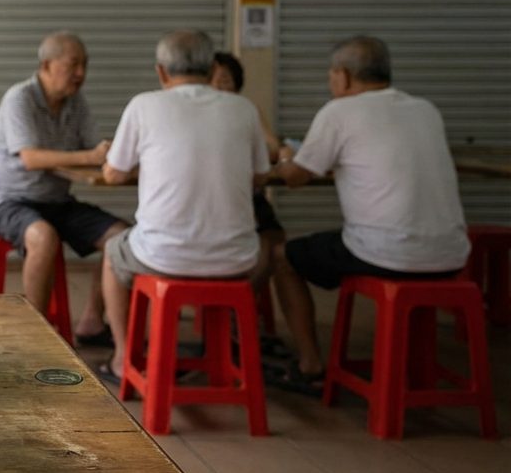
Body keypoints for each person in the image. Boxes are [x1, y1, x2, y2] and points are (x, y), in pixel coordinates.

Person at [267, 36, 469, 395]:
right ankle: (413, 365)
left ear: (343, 76)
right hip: (452, 255)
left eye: (331, 74)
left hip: (386, 254)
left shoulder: (340, 112)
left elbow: (296, 177)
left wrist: (284, 156)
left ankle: (310, 363)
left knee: (284, 257)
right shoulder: (425, 109)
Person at [97, 30, 270, 380]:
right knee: (268, 243)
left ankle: (122, 356)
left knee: (114, 253)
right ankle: (225, 352)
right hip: (238, 260)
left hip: (163, 257)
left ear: (161, 72)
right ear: (210, 69)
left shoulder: (145, 105)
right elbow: (260, 176)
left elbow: (114, 174)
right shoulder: (243, 108)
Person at [0, 31, 127, 337]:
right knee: (43, 237)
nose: (81, 74)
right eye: (73, 65)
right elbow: (31, 158)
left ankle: (93, 320)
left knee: (121, 239)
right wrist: (91, 156)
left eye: (85, 65)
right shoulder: (19, 98)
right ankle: (37, 333)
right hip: (6, 200)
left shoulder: (76, 102)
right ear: (46, 65)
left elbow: (96, 151)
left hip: (56, 201)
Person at [211, 53, 287, 330]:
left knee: (274, 241)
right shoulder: (193, 113)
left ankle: (239, 302)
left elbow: (273, 147)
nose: (220, 86)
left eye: (226, 80)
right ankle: (227, 305)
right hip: (213, 204)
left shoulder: (245, 109)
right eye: (214, 80)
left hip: (247, 197)